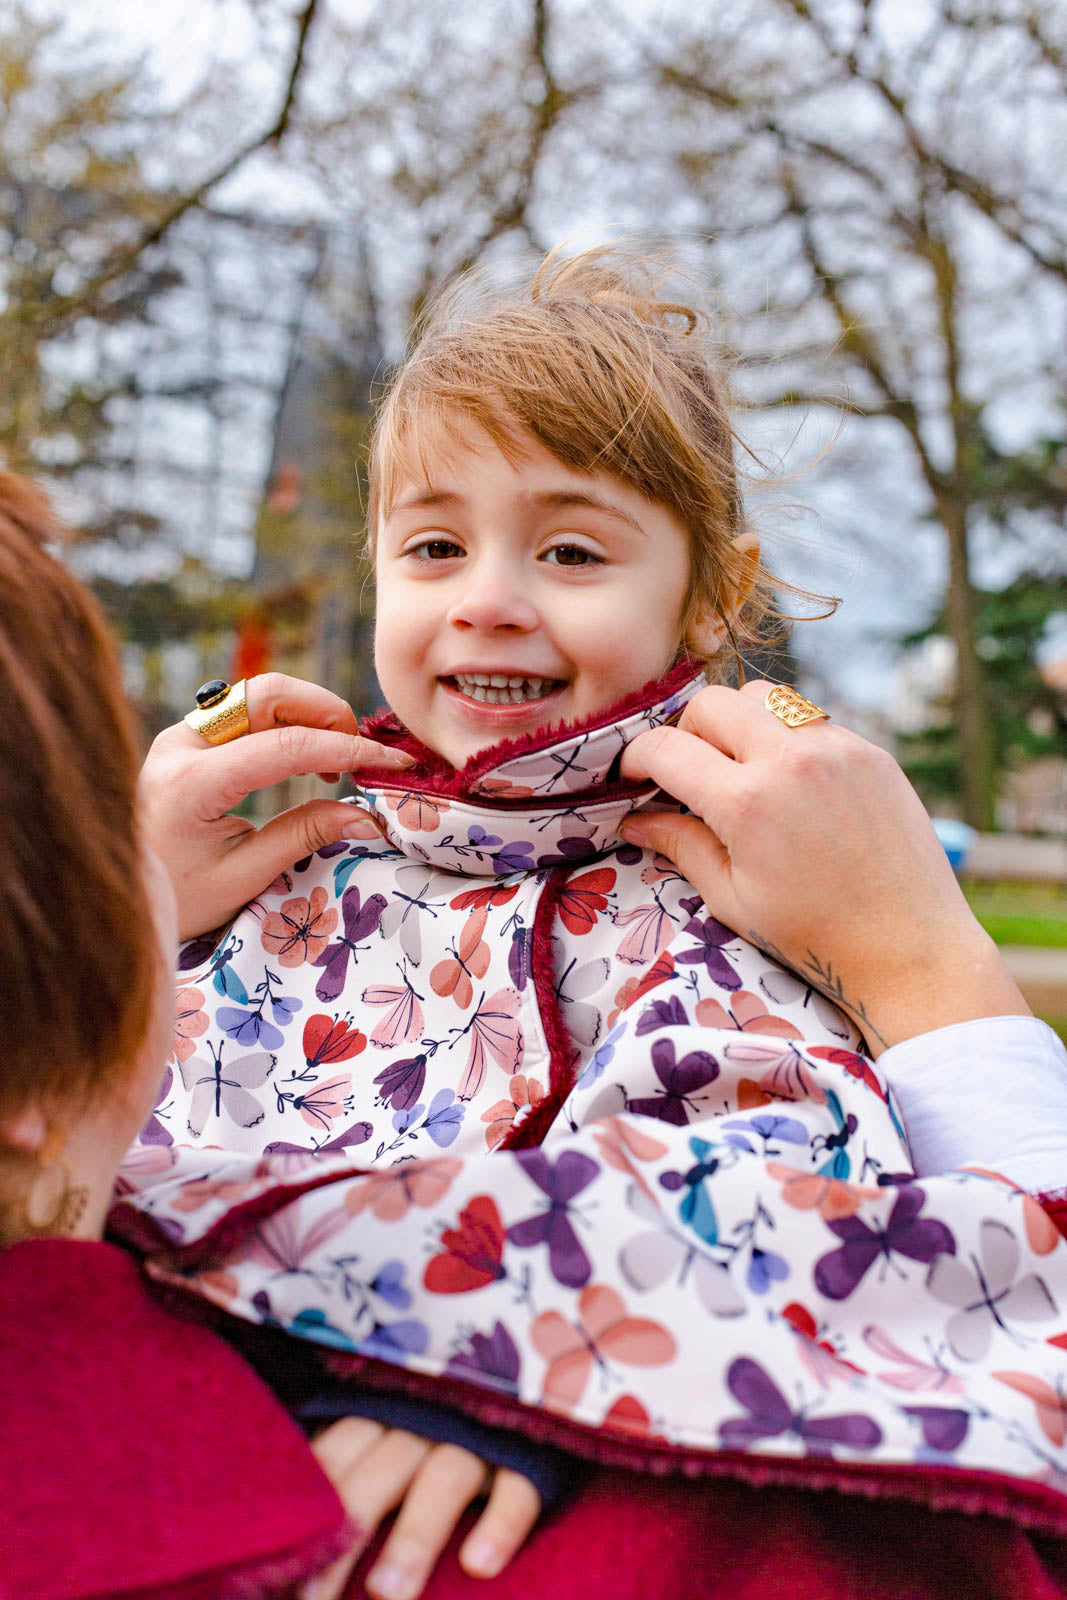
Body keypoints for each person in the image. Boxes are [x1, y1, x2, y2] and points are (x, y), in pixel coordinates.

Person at [117, 246, 1067, 1600]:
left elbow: (761, 1151)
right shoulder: (298, 861)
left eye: (570, 549)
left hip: (530, 1428)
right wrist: (120, 918)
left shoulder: (717, 889)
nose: (487, 597)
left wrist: (499, 1370)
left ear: (713, 591)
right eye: (434, 545)